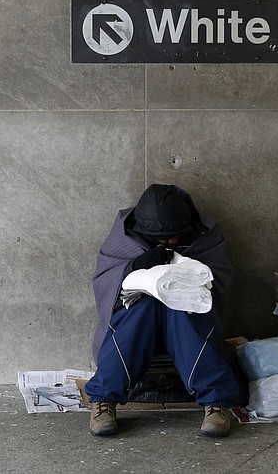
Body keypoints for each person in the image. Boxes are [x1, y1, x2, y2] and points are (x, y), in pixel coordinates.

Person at [85, 183, 242, 438]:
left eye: (174, 236)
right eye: (160, 239)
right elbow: (105, 280)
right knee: (139, 309)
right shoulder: (124, 235)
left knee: (183, 308)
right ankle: (104, 400)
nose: (168, 242)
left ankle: (216, 403)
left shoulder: (205, 233)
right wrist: (134, 266)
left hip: (184, 320)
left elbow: (219, 279)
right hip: (138, 319)